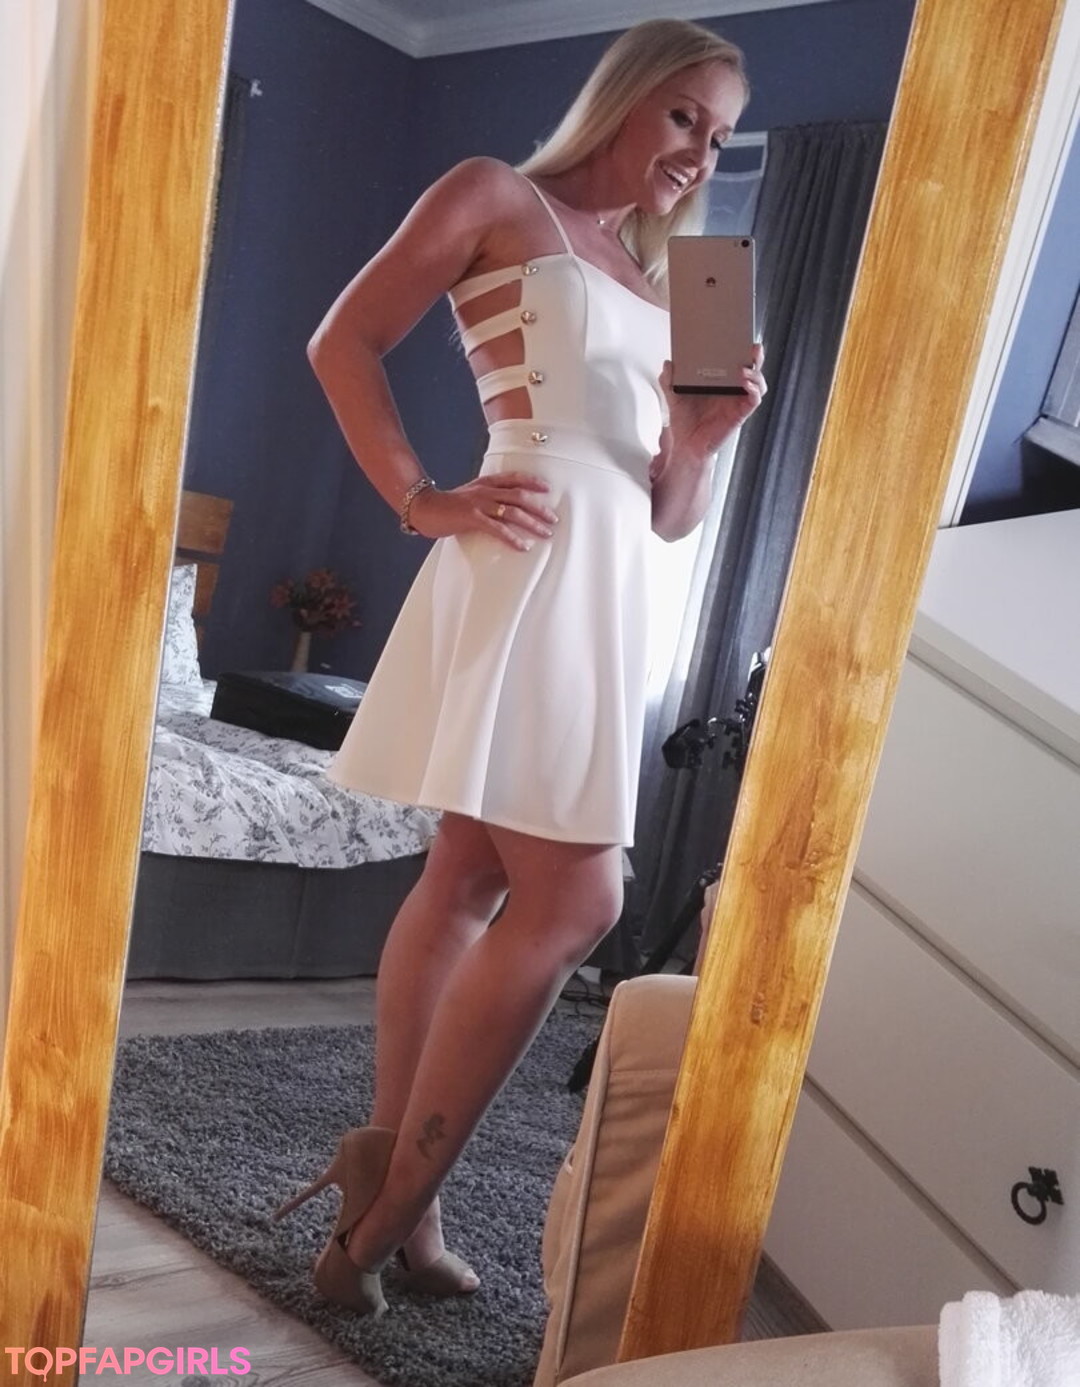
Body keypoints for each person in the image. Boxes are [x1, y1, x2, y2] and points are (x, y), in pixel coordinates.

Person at [275, 16, 767, 1317]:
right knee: (581, 900)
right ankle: (384, 1217)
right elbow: (341, 341)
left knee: (471, 874)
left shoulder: (694, 282)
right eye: (684, 115)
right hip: (524, 554)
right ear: (628, 96)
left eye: (721, 137)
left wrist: (701, 444)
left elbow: (670, 514)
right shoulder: (497, 194)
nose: (699, 152)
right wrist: (418, 498)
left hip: (615, 582)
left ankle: (401, 1204)